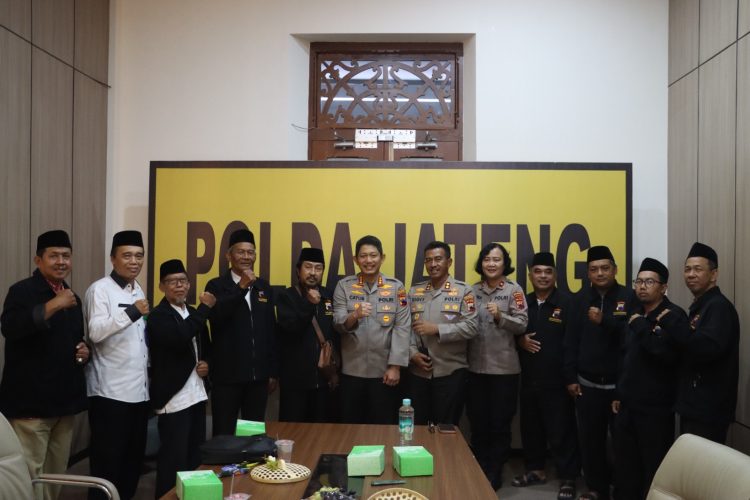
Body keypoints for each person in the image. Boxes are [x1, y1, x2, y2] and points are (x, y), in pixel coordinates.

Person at [0, 230, 89, 500]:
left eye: (66, 256)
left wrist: (83, 351)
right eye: (54, 256)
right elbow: (10, 328)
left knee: (55, 475)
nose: (61, 262)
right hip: (31, 406)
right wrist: (53, 305)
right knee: (28, 477)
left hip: (63, 406)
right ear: (38, 260)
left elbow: (75, 340)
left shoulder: (72, 298)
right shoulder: (22, 291)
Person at [612, 258, 687, 500]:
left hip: (655, 409)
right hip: (627, 405)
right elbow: (625, 357)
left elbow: (665, 355)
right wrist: (619, 392)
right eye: (639, 281)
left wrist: (642, 328)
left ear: (663, 287)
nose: (642, 286)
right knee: (625, 466)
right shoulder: (634, 314)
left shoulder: (673, 316)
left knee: (653, 467)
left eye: (649, 282)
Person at [564, 245, 633, 500]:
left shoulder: (630, 297)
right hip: (587, 385)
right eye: (594, 269)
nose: (600, 273)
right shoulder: (578, 300)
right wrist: (570, 377)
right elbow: (570, 342)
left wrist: (606, 321)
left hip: (619, 387)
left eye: (605, 268)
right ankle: (596, 489)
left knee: (623, 443)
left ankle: (624, 490)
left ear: (615, 270)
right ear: (588, 273)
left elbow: (634, 337)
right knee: (590, 441)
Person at [85, 230, 150, 500]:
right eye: (127, 256)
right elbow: (96, 332)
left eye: (139, 256)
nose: (134, 261)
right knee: (107, 464)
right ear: (113, 259)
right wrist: (132, 312)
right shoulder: (100, 289)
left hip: (139, 393)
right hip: (109, 393)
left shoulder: (138, 289)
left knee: (132, 463)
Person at [147, 259, 215, 498]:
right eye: (172, 282)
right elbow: (179, 337)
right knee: (173, 460)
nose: (179, 286)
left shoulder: (193, 313)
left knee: (195, 456)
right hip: (173, 397)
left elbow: (206, 346)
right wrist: (205, 309)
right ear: (161, 287)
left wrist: (207, 364)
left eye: (183, 281)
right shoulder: (158, 316)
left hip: (197, 393)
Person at [515, 252, 579, 500]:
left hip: (558, 380)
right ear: (530, 275)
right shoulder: (523, 302)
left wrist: (570, 378)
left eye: (548, 272)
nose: (543, 276)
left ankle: (568, 477)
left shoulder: (567, 303)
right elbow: (510, 331)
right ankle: (536, 470)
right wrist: (520, 341)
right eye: (538, 271)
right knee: (531, 428)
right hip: (529, 377)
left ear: (555, 275)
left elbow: (572, 343)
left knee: (561, 430)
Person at [466, 243, 528, 490]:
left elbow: (522, 324)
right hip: (475, 369)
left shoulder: (514, 290)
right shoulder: (472, 291)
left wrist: (501, 317)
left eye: (496, 259)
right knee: (478, 422)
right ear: (481, 263)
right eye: (487, 259)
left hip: (504, 370)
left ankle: (495, 470)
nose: (491, 264)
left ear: (505, 264)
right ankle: (479, 467)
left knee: (500, 424)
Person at [204, 229, 278, 435]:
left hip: (258, 378)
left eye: (250, 252)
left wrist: (272, 371)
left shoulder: (263, 287)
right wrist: (241, 288)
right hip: (227, 377)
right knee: (224, 434)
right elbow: (216, 317)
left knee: (252, 435)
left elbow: (270, 330)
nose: (246, 257)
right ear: (229, 255)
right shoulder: (216, 285)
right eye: (241, 252)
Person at [332, 235, 410, 424]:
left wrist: (395, 366)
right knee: (350, 427)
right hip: (352, 372)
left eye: (373, 255)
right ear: (355, 259)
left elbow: (402, 327)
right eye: (363, 256)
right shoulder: (344, 286)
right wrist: (354, 315)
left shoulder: (397, 288)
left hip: (384, 373)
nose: (368, 260)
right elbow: (337, 324)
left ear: (382, 258)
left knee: (381, 429)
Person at [673, 242, 739, 444]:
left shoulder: (718, 307)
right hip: (695, 405)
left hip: (708, 409)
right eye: (687, 269)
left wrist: (673, 326)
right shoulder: (702, 305)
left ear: (714, 274)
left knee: (701, 462)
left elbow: (706, 349)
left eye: (698, 269)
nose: (691, 274)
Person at [408, 241, 478, 426]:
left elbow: (471, 327)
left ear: (449, 262)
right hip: (418, 373)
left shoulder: (464, 291)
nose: (433, 264)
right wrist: (412, 353)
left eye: (438, 259)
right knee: (417, 429)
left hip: (450, 373)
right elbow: (404, 328)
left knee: (446, 429)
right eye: (428, 260)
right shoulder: (415, 291)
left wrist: (438, 329)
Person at [277, 248, 338, 422]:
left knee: (322, 432)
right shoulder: (286, 296)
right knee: (293, 432)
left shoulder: (329, 296)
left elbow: (336, 335)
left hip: (324, 381)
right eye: (308, 267)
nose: (313, 273)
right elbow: (291, 328)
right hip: (295, 382)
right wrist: (309, 304)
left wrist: (335, 372)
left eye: (318, 268)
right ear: (298, 270)